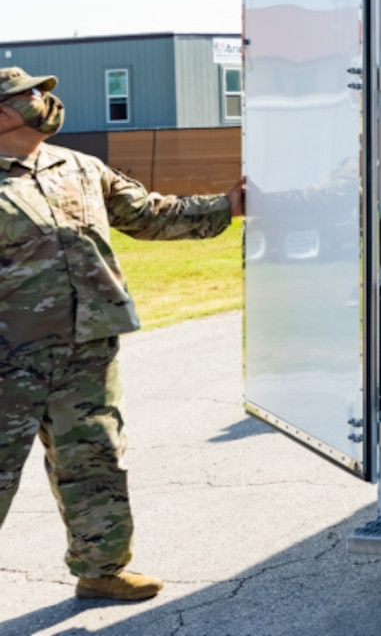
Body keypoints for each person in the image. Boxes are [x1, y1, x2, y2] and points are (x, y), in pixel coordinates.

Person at [0, 67, 244, 602]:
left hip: (87, 348)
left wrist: (227, 206)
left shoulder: (80, 168)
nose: (48, 101)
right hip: (8, 358)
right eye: (33, 96)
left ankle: (101, 569)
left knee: (95, 461)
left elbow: (149, 215)